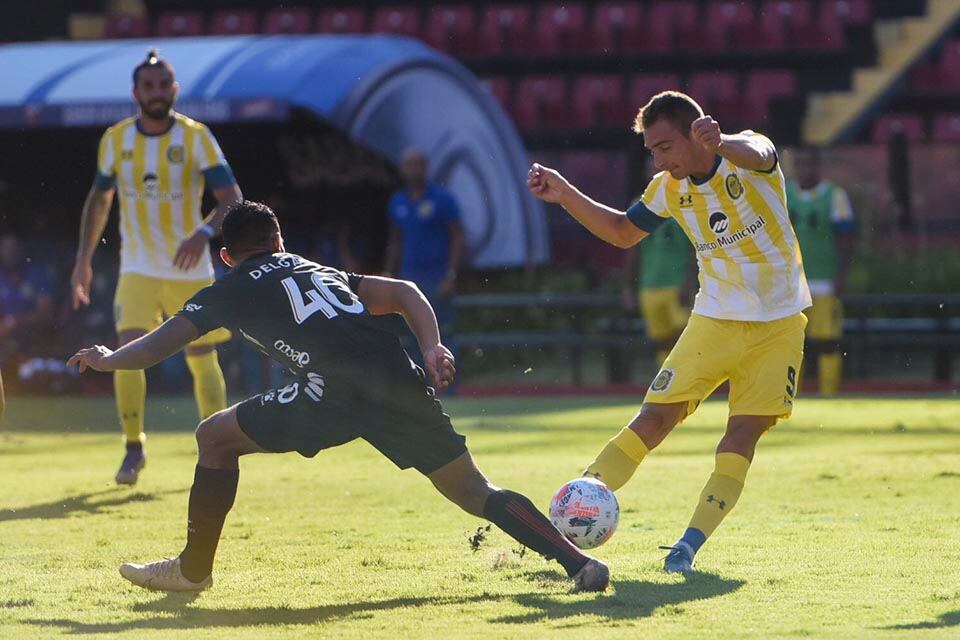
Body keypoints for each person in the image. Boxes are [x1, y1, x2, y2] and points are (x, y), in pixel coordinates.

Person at [67, 201, 609, 594]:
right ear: (279, 242)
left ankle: (191, 571)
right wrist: (433, 346)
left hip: (333, 394)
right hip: (398, 380)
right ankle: (578, 562)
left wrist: (109, 358)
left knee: (213, 437)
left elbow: (161, 342)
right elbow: (404, 294)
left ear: (227, 256)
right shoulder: (316, 269)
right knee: (474, 489)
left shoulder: (229, 287)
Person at [527, 91, 811, 573]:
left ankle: (688, 545)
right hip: (713, 321)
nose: (658, 159)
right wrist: (565, 194)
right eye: (652, 150)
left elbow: (761, 152)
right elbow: (622, 232)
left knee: (740, 435)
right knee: (652, 419)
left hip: (779, 326)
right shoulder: (667, 188)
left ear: (695, 134)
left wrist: (723, 142)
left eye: (664, 147)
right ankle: (563, 527)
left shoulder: (746, 158)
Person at [69, 49, 243, 485]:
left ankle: (217, 444)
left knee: (202, 358)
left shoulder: (195, 136)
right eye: (149, 86)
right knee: (126, 355)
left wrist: (204, 233)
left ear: (174, 89)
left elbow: (232, 199)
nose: (157, 92)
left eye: (164, 85)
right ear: (136, 92)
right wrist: (83, 260)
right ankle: (133, 448)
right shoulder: (116, 139)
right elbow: (99, 200)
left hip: (190, 270)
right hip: (139, 269)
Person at [786, 148, 856, 397]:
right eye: (800, 164)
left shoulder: (835, 196)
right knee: (793, 344)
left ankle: (829, 396)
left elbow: (847, 238)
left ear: (818, 166)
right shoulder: (784, 195)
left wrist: (841, 275)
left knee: (827, 342)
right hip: (791, 284)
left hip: (824, 281)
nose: (805, 170)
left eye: (809, 164)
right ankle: (790, 398)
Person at [384, 148, 464, 352]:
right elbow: (396, 240)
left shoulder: (442, 198)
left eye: (418, 164)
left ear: (426, 167)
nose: (414, 170)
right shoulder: (397, 201)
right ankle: (419, 384)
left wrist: (451, 275)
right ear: (403, 169)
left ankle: (447, 384)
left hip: (437, 280)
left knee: (443, 336)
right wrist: (389, 273)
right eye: (409, 165)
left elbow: (457, 236)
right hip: (408, 279)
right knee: (411, 338)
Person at [620, 216, 692, 367]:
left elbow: (696, 247)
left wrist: (689, 282)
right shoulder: (641, 204)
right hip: (649, 285)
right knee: (659, 338)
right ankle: (667, 379)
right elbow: (633, 249)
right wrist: (627, 286)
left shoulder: (686, 200)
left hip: (676, 284)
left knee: (685, 334)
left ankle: (687, 375)